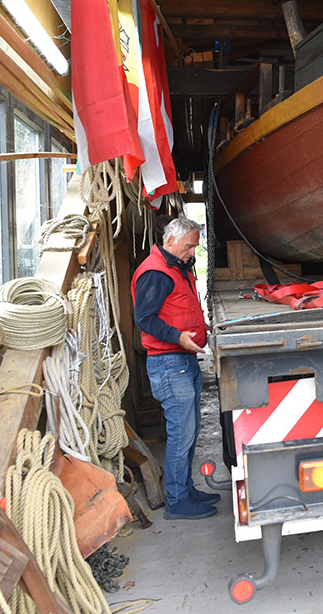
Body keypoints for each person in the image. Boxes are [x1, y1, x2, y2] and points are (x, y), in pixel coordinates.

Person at [132, 216, 221, 519]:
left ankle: (185, 488)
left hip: (182, 361)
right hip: (169, 363)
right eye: (189, 246)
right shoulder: (155, 273)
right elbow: (145, 318)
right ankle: (177, 500)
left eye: (195, 247)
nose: (193, 252)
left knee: (190, 430)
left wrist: (200, 327)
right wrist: (178, 336)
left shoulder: (175, 267)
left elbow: (178, 309)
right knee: (181, 434)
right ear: (170, 240)